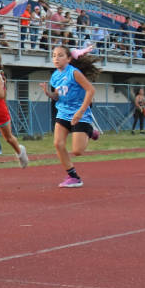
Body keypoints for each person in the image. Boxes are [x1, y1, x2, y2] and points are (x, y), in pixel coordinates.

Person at [38, 45, 101, 189]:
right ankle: (73, 177)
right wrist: (48, 93)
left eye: (60, 55)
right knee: (58, 144)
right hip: (63, 113)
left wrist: (80, 112)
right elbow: (57, 96)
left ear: (68, 58)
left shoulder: (74, 73)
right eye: (54, 55)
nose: (56, 58)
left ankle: (90, 131)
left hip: (80, 114)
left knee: (77, 151)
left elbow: (91, 90)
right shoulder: (54, 76)